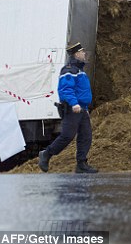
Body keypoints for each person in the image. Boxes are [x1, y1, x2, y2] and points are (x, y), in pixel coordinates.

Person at [38, 42, 98, 174]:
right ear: (76, 54)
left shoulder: (80, 71)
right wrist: (74, 103)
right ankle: (46, 154)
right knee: (67, 136)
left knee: (86, 136)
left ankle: (81, 164)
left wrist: (84, 107)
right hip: (73, 109)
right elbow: (65, 89)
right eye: (82, 52)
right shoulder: (69, 70)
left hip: (82, 109)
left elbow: (81, 91)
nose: (84, 54)